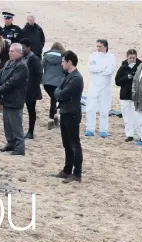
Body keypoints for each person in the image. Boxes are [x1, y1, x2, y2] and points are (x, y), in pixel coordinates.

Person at [54, 50, 85, 183]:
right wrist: (59, 92)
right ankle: (67, 169)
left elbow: (62, 93)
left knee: (74, 144)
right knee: (66, 143)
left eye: (63, 61)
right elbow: (57, 91)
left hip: (72, 113)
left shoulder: (76, 78)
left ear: (69, 62)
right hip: (65, 111)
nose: (62, 64)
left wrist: (59, 93)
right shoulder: (67, 75)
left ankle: (77, 173)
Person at [0, 43, 29, 156]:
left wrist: (0, 89)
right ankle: (11, 143)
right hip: (6, 98)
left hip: (15, 98)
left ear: (19, 53)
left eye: (12, 51)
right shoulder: (9, 62)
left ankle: (19, 148)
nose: (9, 53)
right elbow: (0, 74)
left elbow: (13, 82)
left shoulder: (22, 65)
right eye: (9, 51)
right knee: (7, 123)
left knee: (15, 124)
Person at [85, 39, 117, 137]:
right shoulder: (93, 56)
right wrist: (102, 68)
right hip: (94, 85)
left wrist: (99, 69)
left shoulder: (111, 57)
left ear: (105, 47)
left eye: (100, 46)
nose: (98, 48)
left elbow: (110, 70)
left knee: (104, 109)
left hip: (105, 87)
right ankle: (90, 128)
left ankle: (103, 130)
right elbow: (91, 68)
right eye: (97, 46)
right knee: (90, 108)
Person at [115, 49, 142, 142]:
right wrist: (127, 77)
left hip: (136, 95)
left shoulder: (140, 66)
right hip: (125, 95)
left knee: (137, 116)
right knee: (127, 116)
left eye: (134, 58)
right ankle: (129, 134)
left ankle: (140, 135)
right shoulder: (123, 67)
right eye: (130, 58)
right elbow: (117, 81)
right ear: (127, 57)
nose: (132, 59)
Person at [20, 38, 42, 139]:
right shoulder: (21, 57)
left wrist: (32, 86)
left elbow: (39, 74)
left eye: (24, 48)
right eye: (21, 48)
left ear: (29, 47)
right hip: (22, 89)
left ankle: (30, 131)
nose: (22, 50)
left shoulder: (34, 59)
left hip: (31, 90)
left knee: (31, 111)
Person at [42, 42, 66, 130]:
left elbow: (41, 66)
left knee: (53, 98)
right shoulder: (63, 57)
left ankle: (54, 117)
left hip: (46, 82)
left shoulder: (46, 56)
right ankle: (51, 118)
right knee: (54, 99)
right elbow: (65, 69)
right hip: (58, 82)